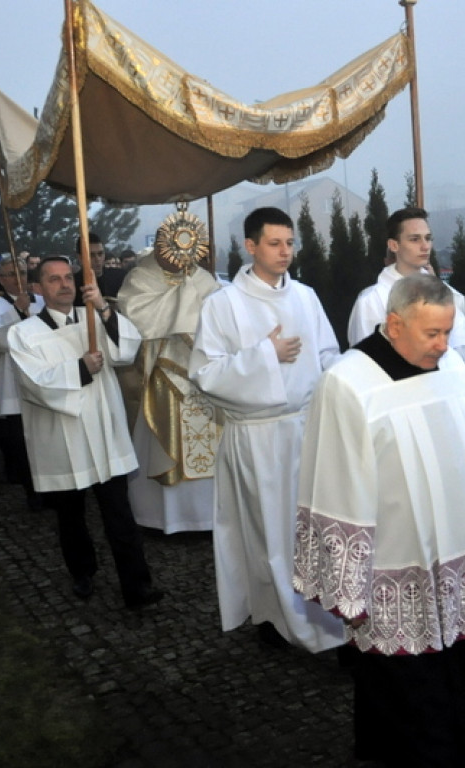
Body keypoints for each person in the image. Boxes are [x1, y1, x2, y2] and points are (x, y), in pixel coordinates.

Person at [296, 273, 465, 766]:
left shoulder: (455, 370)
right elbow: (335, 481)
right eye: (432, 333)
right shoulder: (348, 384)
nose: (443, 344)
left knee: (457, 674)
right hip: (394, 565)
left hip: (457, 557)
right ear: (393, 323)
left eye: (449, 331)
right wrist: (346, 584)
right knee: (402, 692)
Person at [189, 206, 344, 651]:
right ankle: (273, 617)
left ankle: (320, 613)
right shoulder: (223, 304)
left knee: (309, 531)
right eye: (274, 243)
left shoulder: (306, 297)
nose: (285, 252)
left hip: (306, 430)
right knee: (265, 534)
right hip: (256, 436)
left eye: (290, 243)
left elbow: (328, 354)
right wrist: (264, 355)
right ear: (250, 246)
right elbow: (205, 375)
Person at [8, 256, 163, 609]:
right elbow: (34, 383)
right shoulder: (24, 333)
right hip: (62, 434)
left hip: (103, 429)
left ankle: (137, 586)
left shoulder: (94, 318)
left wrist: (105, 312)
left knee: (119, 514)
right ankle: (82, 571)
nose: (64, 284)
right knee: (71, 515)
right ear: (37, 288)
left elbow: (126, 350)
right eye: (53, 279)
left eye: (68, 278)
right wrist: (80, 368)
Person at [117, 214, 221, 534]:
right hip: (160, 375)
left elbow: (220, 318)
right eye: (170, 245)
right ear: (161, 245)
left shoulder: (203, 280)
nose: (176, 253)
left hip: (202, 376)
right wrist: (181, 300)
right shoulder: (141, 278)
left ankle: (206, 517)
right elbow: (136, 316)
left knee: (211, 445)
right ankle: (163, 518)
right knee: (164, 442)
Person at [347, 207, 465, 358]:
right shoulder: (371, 300)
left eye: (428, 238)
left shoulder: (444, 294)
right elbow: (364, 358)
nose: (425, 246)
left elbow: (460, 348)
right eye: (414, 239)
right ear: (394, 245)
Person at [0, 255, 45, 511]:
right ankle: (32, 493)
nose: (18, 280)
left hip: (44, 380)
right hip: (15, 385)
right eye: (10, 275)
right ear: (1, 279)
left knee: (44, 441)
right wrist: (17, 310)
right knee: (23, 445)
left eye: (22, 274)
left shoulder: (41, 301)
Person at [74, 231, 125, 304]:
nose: (97, 259)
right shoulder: (73, 286)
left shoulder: (120, 277)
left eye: (100, 254)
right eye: (91, 255)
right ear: (80, 257)